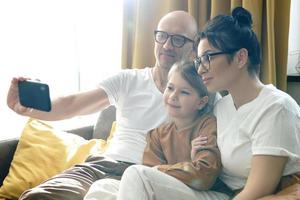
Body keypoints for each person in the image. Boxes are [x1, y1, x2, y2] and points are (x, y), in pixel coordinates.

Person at [6, 10, 198, 200]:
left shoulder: (202, 96)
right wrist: (28, 109)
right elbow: (72, 104)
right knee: (38, 197)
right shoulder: (128, 80)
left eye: (178, 39)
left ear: (193, 47)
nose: (167, 45)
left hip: (151, 178)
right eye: (162, 36)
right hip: (102, 166)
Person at [194, 6, 300, 199]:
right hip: (222, 192)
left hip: (255, 195)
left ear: (240, 57)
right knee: (140, 176)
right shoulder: (221, 106)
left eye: (208, 58)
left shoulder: (276, 108)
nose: (200, 69)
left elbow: (258, 190)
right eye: (199, 61)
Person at [84, 61, 227, 200]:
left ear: (201, 102)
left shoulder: (206, 125)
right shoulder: (157, 135)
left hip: (210, 194)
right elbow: (152, 175)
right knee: (103, 187)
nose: (173, 97)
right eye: (170, 88)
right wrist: (188, 163)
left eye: (184, 92)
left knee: (135, 172)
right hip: (173, 189)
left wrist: (161, 169)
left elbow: (203, 177)